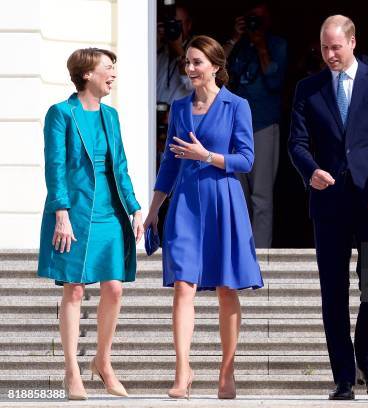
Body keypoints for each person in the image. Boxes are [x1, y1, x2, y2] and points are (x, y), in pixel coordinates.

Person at [288, 15, 368, 400]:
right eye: (324, 47)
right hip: (329, 200)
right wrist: (311, 170)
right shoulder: (309, 88)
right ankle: (342, 376)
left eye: (336, 46)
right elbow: (297, 143)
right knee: (332, 291)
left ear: (352, 42)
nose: (330, 54)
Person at [144, 35, 263, 400]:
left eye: (197, 62)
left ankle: (226, 371)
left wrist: (206, 155)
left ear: (215, 65)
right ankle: (183, 370)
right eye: (187, 62)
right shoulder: (179, 108)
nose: (190, 68)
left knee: (227, 287)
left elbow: (246, 159)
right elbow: (169, 163)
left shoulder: (236, 105)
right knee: (183, 285)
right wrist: (153, 211)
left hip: (224, 202)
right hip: (185, 206)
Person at [37, 48, 144, 400]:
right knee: (75, 289)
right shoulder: (61, 113)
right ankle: (71, 370)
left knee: (114, 287)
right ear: (87, 74)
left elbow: (121, 165)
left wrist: (134, 207)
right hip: (76, 211)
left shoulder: (110, 116)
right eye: (107, 69)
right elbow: (55, 166)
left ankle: (102, 361)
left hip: (109, 212)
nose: (113, 74)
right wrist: (61, 213)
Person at [225, 2, 287, 248]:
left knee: (261, 196)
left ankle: (260, 253)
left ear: (269, 21)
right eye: (251, 18)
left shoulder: (278, 45)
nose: (254, 24)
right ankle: (239, 249)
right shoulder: (238, 45)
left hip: (263, 124)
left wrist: (261, 47)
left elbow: (275, 81)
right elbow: (217, 73)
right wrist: (234, 37)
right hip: (233, 126)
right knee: (237, 195)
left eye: (259, 19)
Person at [157, 2, 194, 105]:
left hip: (179, 116)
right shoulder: (159, 52)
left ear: (188, 24)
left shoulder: (197, 51)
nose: (172, 28)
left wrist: (179, 51)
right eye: (169, 24)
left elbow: (192, 85)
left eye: (177, 24)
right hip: (155, 115)